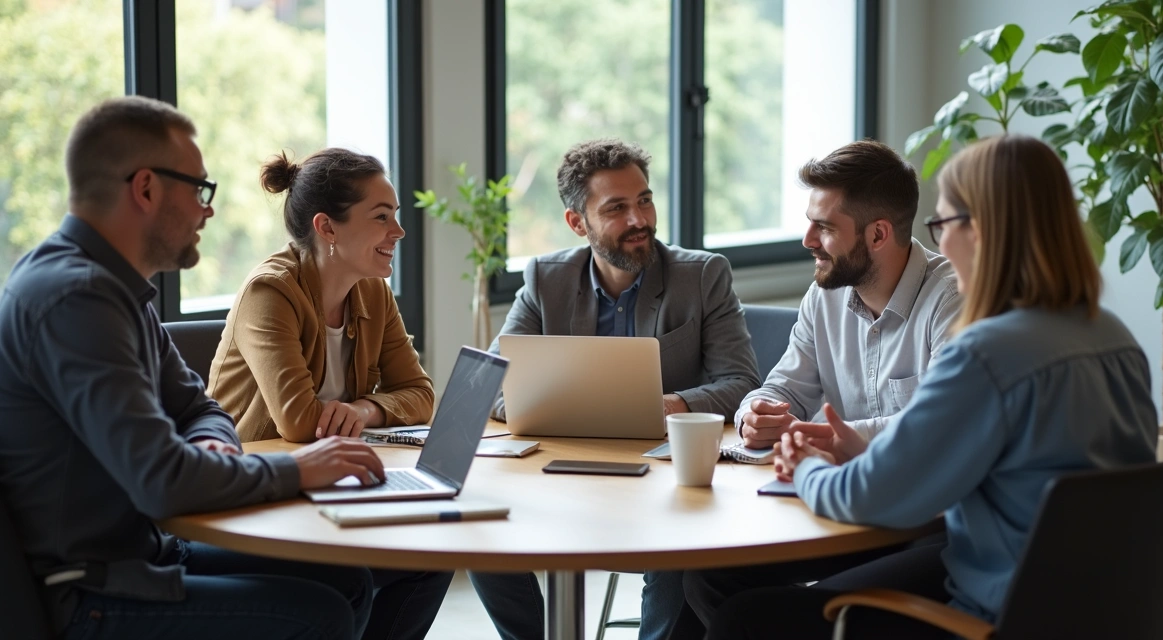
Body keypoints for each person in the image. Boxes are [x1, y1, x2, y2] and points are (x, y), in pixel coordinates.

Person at [704, 134, 1159, 639]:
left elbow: (866, 493)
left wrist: (808, 467)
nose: (938, 242)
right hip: (1093, 612)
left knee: (744, 620)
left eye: (942, 224)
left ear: (984, 231)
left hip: (995, 613)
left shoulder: (986, 352)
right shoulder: (1115, 337)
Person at [0, 96, 391, 639]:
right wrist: (300, 468)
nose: (208, 210)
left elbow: (199, 407)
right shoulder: (76, 299)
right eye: (199, 190)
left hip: (146, 550)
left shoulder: (116, 289)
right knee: (318, 615)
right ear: (146, 189)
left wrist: (215, 447)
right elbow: (162, 481)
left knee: (348, 581)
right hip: (90, 591)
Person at [207, 147, 543, 640]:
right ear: (328, 228)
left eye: (396, 217)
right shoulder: (270, 294)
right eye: (382, 218)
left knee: (431, 557)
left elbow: (420, 392)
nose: (399, 232)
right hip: (260, 496)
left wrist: (363, 409)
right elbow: (299, 422)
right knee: (372, 572)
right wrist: (355, 416)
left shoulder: (372, 290)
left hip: (332, 483)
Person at [488, 138, 761, 640]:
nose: (639, 219)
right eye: (616, 208)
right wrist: (577, 409)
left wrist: (673, 404)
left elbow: (741, 382)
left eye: (645, 200)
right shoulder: (545, 279)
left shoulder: (702, 276)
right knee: (479, 529)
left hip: (665, 474)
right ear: (578, 222)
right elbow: (493, 382)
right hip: (565, 470)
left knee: (682, 548)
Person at [683, 139, 962, 624]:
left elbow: (937, 429)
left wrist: (838, 440)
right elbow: (784, 387)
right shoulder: (824, 296)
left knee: (754, 615)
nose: (808, 239)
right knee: (707, 578)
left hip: (932, 524)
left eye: (825, 227)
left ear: (878, 234)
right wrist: (756, 410)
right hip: (853, 505)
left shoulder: (952, 300)